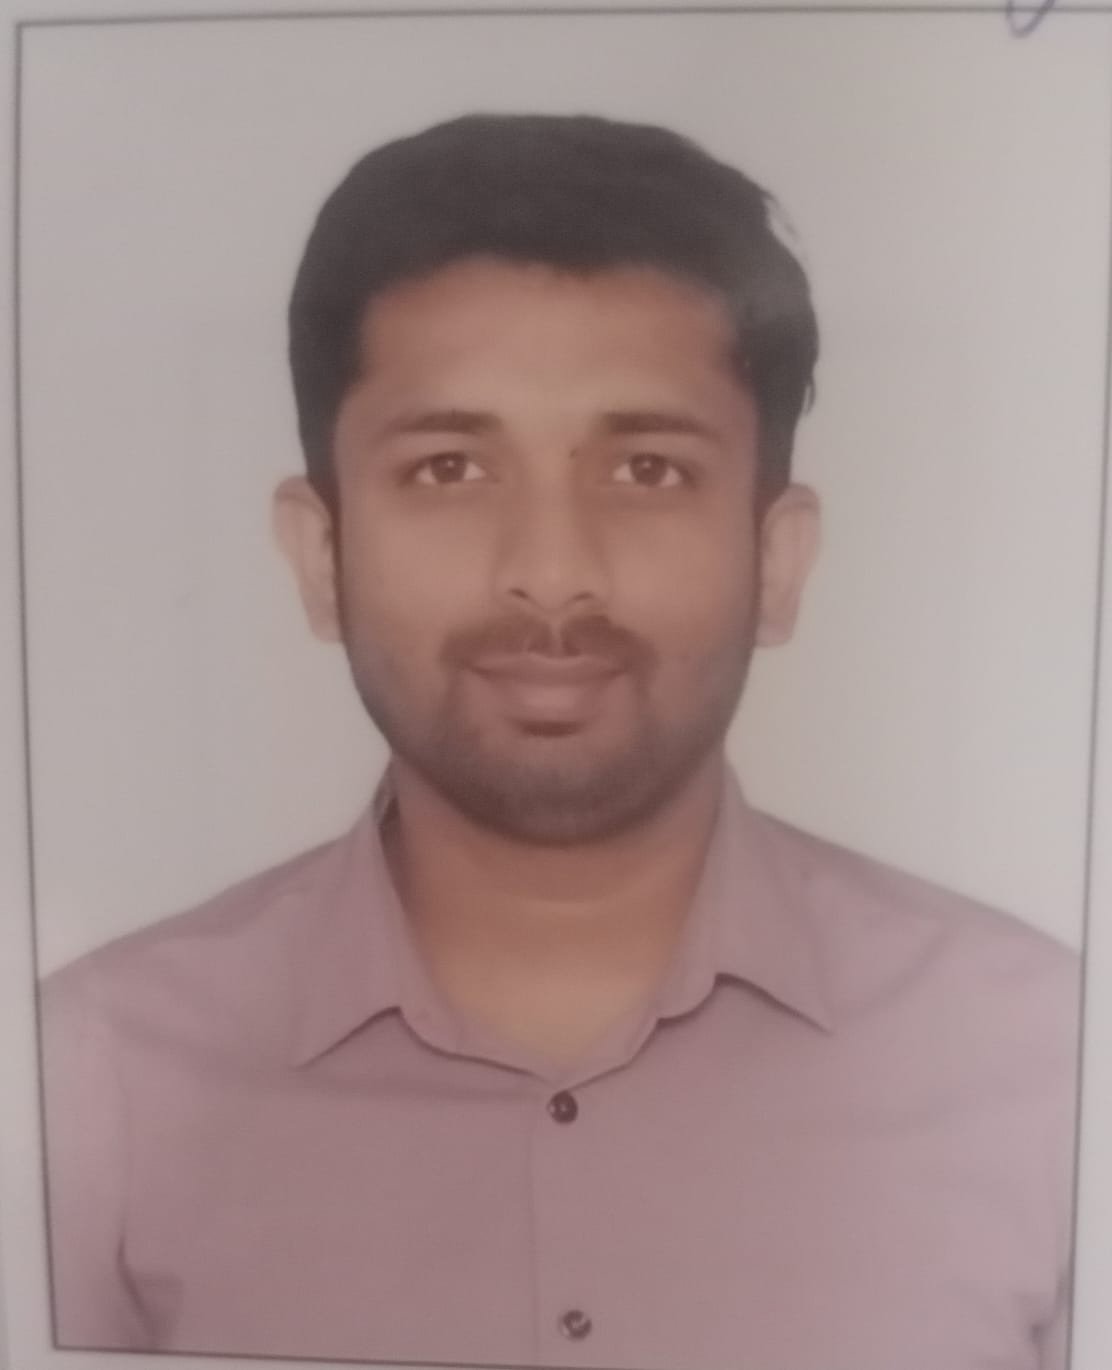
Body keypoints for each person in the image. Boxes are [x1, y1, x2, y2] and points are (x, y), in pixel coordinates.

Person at [40, 113, 1078, 1370]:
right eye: (448, 469)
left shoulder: (1049, 1064)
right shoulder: (83, 1086)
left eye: (645, 470)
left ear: (776, 559)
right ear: (321, 554)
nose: (548, 570)